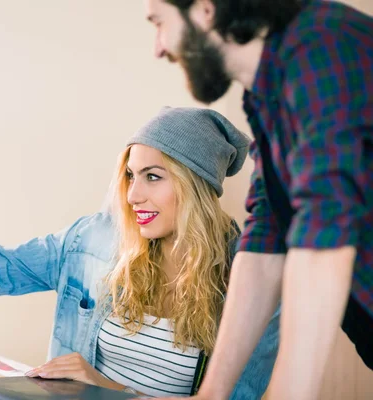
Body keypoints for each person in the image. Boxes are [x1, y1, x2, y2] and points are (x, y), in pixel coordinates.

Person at [0, 107, 279, 398]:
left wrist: (100, 388)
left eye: (152, 177)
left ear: (196, 184)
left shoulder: (251, 281)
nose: (133, 196)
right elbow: (8, 266)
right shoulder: (95, 240)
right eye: (130, 176)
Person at [143, 0, 373, 399]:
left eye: (160, 23)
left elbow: (325, 227)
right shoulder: (264, 95)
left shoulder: (322, 42)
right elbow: (267, 235)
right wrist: (212, 392)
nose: (159, 48)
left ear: (204, 10)